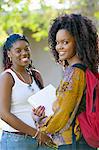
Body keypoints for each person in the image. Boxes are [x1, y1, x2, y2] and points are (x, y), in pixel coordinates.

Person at [32, 14, 98, 150]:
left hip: (73, 144)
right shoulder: (81, 70)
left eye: (65, 42)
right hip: (79, 142)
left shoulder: (75, 73)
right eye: (57, 42)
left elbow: (62, 116)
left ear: (78, 42)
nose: (59, 47)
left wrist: (41, 122)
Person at [0, 34, 56, 150]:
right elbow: (4, 114)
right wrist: (35, 133)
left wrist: (41, 117)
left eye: (26, 49)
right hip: (17, 141)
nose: (24, 53)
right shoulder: (7, 77)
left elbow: (43, 106)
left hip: (40, 138)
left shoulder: (36, 75)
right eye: (18, 51)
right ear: (9, 54)